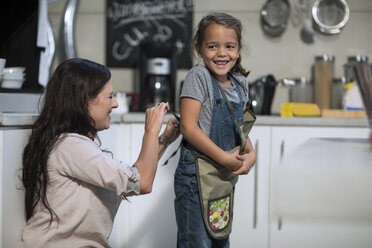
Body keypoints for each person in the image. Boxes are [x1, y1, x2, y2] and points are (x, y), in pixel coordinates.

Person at [20, 58, 180, 247]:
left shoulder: (72, 145)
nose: (115, 104)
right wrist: (151, 131)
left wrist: (162, 140)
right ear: (85, 100)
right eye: (110, 97)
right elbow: (142, 183)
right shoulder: (70, 146)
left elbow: (132, 180)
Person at [174, 12, 256, 247]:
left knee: (220, 240)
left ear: (238, 49)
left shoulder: (241, 83)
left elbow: (239, 126)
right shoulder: (198, 76)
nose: (222, 53)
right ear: (199, 49)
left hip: (221, 177)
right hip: (194, 179)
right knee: (196, 242)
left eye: (229, 46)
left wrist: (251, 154)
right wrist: (224, 158)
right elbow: (189, 128)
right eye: (212, 46)